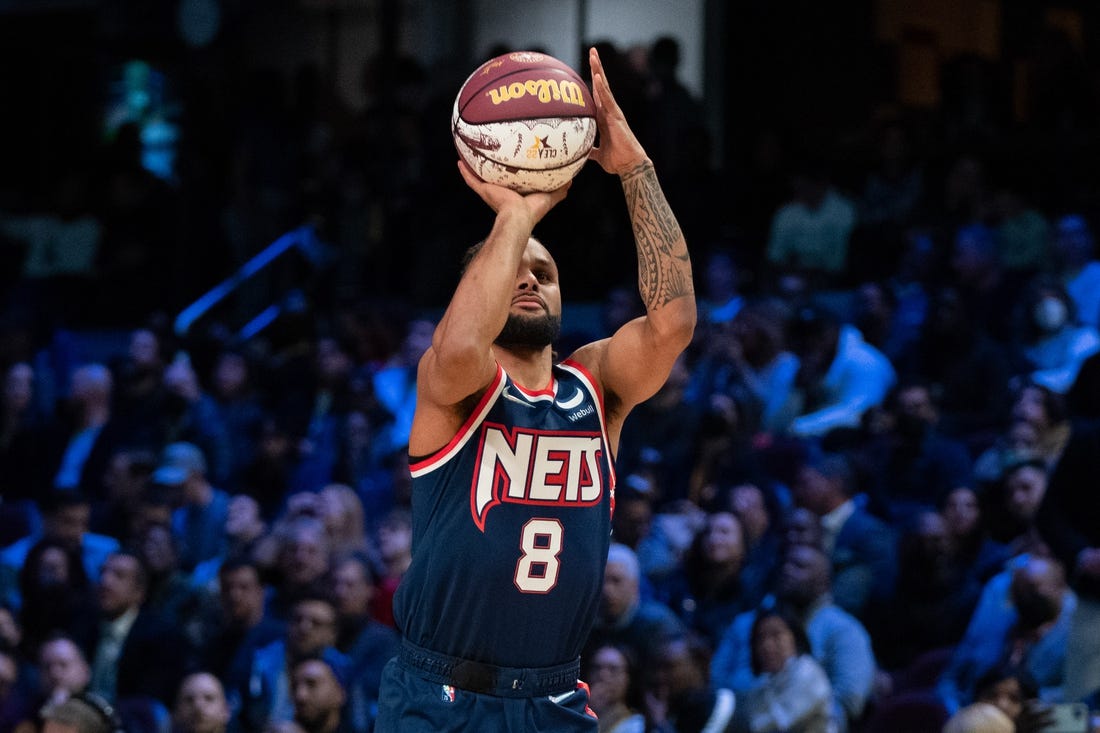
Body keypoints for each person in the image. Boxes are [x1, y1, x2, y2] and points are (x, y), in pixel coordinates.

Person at [374, 46, 696, 733]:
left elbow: (674, 322)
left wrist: (634, 166)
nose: (528, 278)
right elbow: (461, 342)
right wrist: (518, 212)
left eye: (544, 273)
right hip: (440, 693)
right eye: (513, 272)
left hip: (554, 692)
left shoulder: (596, 383)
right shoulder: (456, 386)